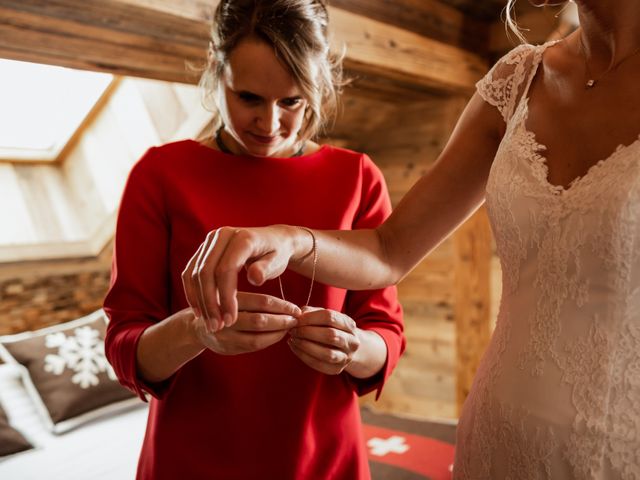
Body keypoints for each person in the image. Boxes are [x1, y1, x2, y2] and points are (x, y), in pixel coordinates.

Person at [183, 0, 640, 478]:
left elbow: (383, 330)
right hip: (498, 433)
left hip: (619, 444)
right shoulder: (519, 78)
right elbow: (389, 249)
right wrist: (290, 241)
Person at [103, 1, 405, 479]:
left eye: (291, 102)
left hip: (322, 456)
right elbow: (124, 344)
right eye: (248, 98)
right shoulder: (160, 175)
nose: (269, 125)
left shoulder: (357, 177)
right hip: (192, 457)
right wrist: (196, 331)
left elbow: (385, 331)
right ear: (215, 72)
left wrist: (353, 346)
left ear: (316, 89)